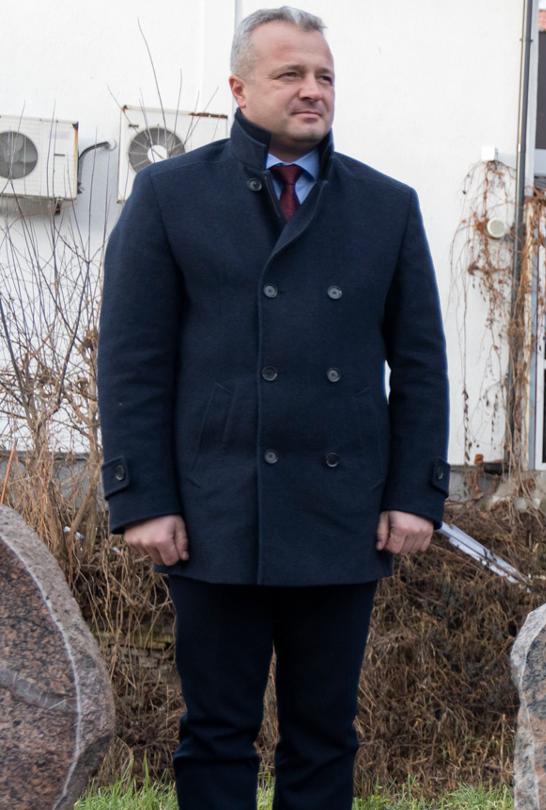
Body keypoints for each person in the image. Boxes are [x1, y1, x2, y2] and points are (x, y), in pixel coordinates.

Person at [97, 7, 449, 807]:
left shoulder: (387, 206)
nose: (312, 90)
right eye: (290, 74)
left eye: (324, 76)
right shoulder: (168, 195)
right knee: (216, 729)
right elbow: (132, 360)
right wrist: (142, 498)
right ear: (239, 86)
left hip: (342, 509)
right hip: (215, 508)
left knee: (325, 732)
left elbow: (422, 364)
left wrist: (414, 494)